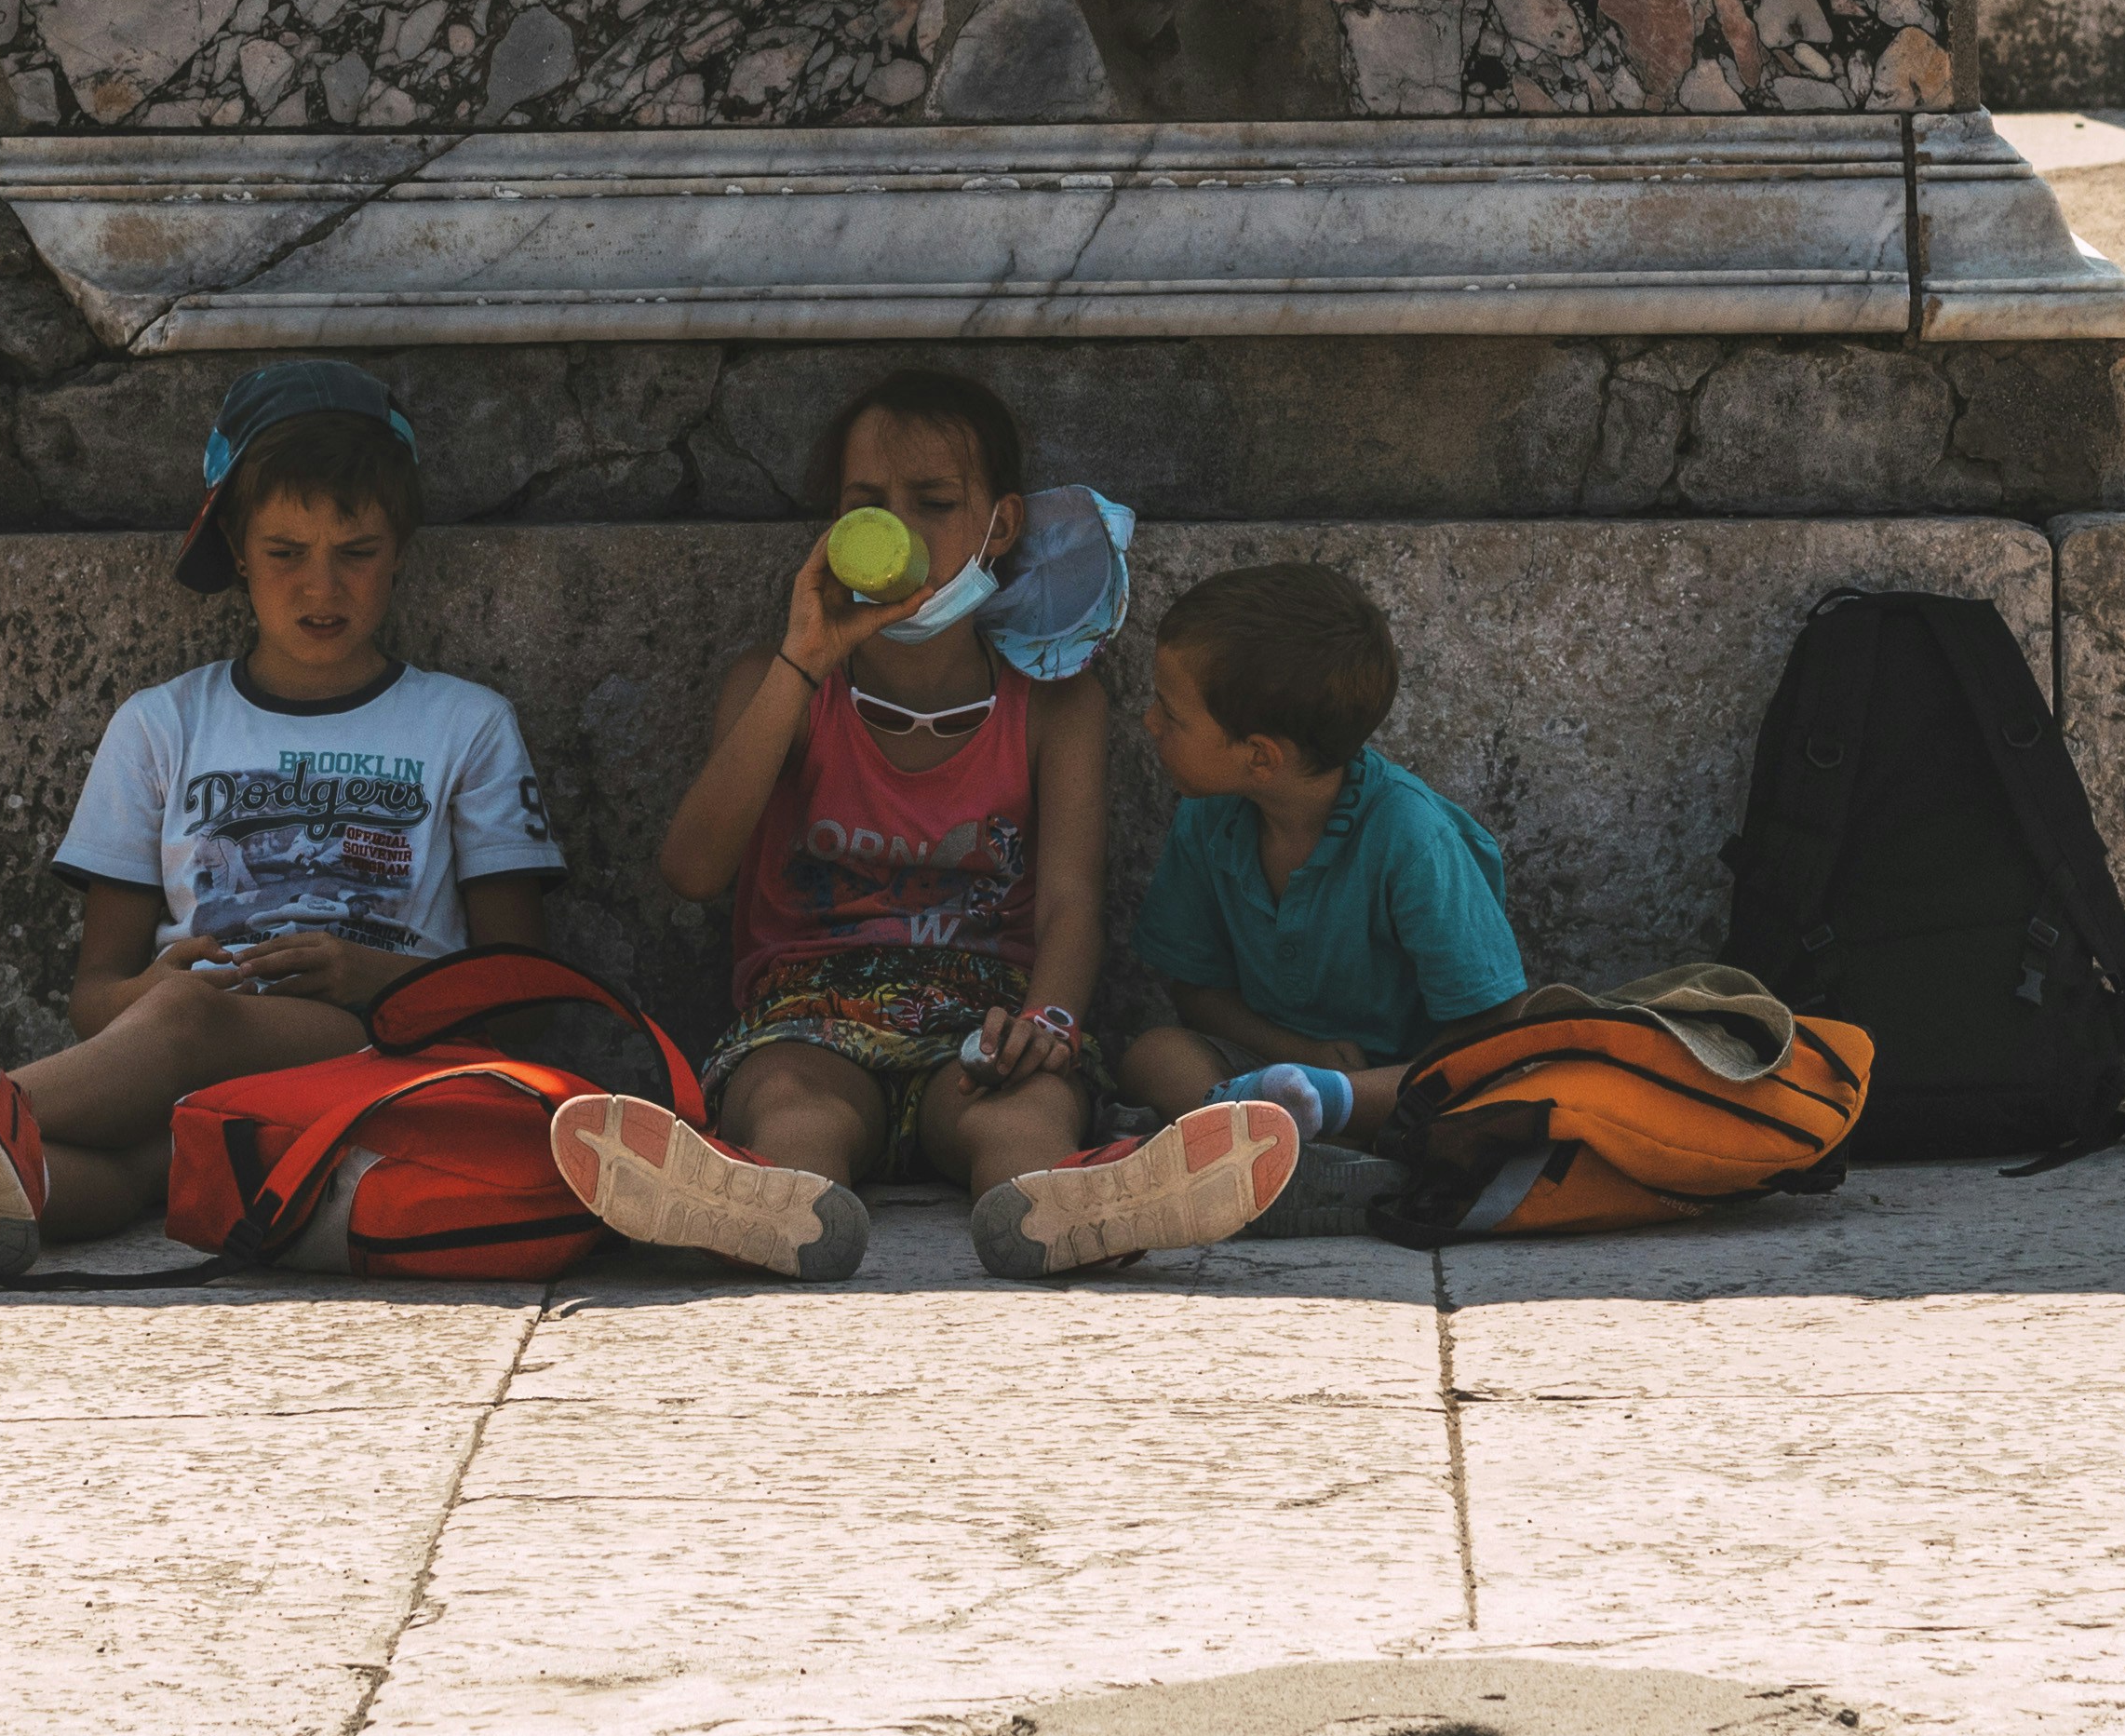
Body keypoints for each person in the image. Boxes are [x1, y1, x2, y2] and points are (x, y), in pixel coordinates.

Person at [0, 358, 560, 1279]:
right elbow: (95, 995)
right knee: (147, 1157)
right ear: (235, 551)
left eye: (357, 550)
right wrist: (149, 994)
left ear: (403, 548)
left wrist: (370, 975)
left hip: (385, 1056)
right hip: (194, 1068)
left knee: (189, 1013)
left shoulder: (467, 724)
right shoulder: (160, 725)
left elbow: (523, 998)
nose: (321, 586)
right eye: (285, 551)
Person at [547, 368, 1292, 1284]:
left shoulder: (1058, 706)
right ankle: (766, 1208)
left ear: (1001, 525)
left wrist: (1049, 1018)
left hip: (986, 1013)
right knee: (793, 1112)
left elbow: (1069, 898)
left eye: (933, 501)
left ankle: (1070, 1206)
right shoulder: (774, 684)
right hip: (807, 1014)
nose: (897, 529)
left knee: (1022, 1118)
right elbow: (695, 869)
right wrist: (805, 657)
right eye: (867, 503)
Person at [1112, 562, 1527, 1165]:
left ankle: (1284, 1145)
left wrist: (1346, 1089)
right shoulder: (1208, 820)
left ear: (1260, 758)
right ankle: (1307, 1154)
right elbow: (1196, 990)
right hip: (1273, 1069)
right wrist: (1295, 1051)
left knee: (1465, 1083)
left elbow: (1495, 1027)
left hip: (1396, 1082)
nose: (1149, 723)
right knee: (1152, 1054)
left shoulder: (1411, 838)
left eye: (1170, 714)